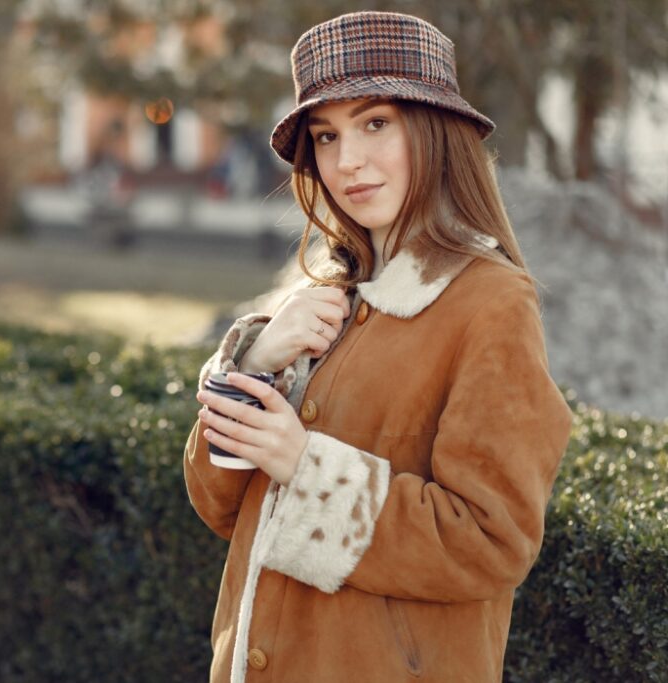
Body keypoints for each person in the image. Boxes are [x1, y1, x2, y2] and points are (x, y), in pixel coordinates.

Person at [184, 11, 573, 683]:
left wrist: (304, 466)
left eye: (375, 123)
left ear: (434, 129)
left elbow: (492, 540)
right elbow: (214, 500)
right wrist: (254, 362)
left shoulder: (491, 303)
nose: (347, 161)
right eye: (326, 135)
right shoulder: (327, 300)